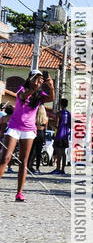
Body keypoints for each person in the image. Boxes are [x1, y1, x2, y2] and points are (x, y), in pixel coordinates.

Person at [0, 70, 55, 200]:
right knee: (5, 158)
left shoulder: (40, 95)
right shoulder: (21, 89)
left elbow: (51, 98)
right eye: (36, 78)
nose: (39, 81)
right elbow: (23, 97)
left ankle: (19, 193)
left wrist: (51, 86)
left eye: (41, 79)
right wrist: (34, 89)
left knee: (23, 162)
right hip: (14, 127)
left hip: (29, 130)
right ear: (30, 79)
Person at [28, 99, 49, 174]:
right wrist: (45, 139)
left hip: (34, 133)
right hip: (41, 134)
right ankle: (37, 168)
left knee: (31, 151)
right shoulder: (45, 119)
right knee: (38, 152)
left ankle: (29, 166)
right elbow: (45, 130)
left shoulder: (34, 117)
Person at [52, 97, 70, 175]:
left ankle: (57, 168)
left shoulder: (59, 113)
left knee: (58, 152)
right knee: (64, 153)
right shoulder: (69, 114)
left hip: (59, 135)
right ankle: (63, 169)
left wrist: (51, 124)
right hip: (66, 135)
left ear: (60, 104)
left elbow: (56, 125)